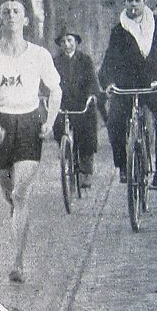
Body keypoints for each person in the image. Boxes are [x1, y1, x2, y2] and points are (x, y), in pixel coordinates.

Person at [0, 0, 62, 283]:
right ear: (0, 21)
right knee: (10, 195)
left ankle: (18, 262)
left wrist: (50, 122)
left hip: (29, 124)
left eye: (17, 10)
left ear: (26, 20)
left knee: (20, 194)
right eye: (6, 11)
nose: (11, 15)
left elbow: (56, 91)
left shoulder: (39, 55)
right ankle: (17, 219)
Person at [98, 0, 157, 190]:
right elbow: (108, 60)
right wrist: (107, 83)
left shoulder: (156, 23)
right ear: (125, 3)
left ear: (144, 2)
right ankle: (123, 166)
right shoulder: (119, 30)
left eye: (137, 0)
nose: (133, 4)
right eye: (130, 0)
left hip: (153, 82)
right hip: (127, 84)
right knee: (114, 121)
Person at [51, 26, 101, 189]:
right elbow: (48, 81)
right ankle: (69, 163)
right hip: (63, 102)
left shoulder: (85, 59)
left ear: (76, 42)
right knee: (59, 128)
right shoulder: (55, 61)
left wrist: (91, 95)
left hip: (81, 102)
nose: (66, 44)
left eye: (70, 40)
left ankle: (86, 171)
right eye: (63, 41)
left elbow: (92, 81)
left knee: (86, 131)